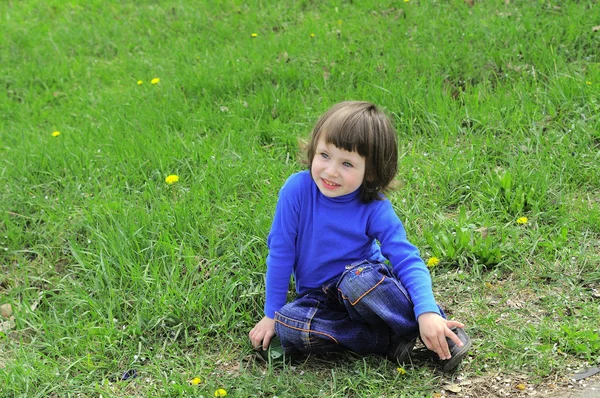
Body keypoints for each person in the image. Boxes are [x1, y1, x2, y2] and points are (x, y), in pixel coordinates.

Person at [248, 101, 471, 372]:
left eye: (347, 163)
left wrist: (428, 311)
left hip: (361, 284)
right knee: (287, 324)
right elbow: (281, 253)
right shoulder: (296, 191)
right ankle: (387, 340)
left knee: (357, 284)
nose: (331, 171)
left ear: (372, 171)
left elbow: (406, 259)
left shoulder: (373, 206)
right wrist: (271, 314)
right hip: (319, 298)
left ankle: (436, 329)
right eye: (324, 155)